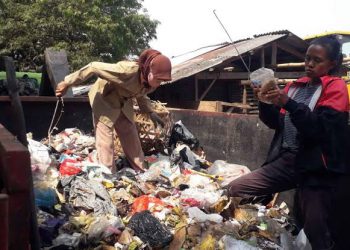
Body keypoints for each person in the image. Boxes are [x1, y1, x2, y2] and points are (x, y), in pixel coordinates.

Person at [226, 36, 349, 249]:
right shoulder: (295, 87)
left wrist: (288, 103)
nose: (309, 64)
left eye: (316, 60)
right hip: (288, 160)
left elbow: (320, 128)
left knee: (315, 227)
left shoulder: (335, 87)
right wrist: (264, 101)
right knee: (235, 188)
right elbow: (277, 122)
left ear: (332, 64)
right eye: (307, 58)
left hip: (317, 169)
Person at [55, 49, 172, 173]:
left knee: (130, 134)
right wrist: (67, 82)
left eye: (162, 81)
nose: (158, 84)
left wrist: (150, 112)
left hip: (123, 101)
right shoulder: (126, 71)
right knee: (106, 141)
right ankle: (108, 174)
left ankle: (141, 171)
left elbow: (140, 94)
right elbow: (93, 67)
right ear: (149, 69)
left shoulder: (149, 82)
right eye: (158, 80)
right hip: (104, 98)